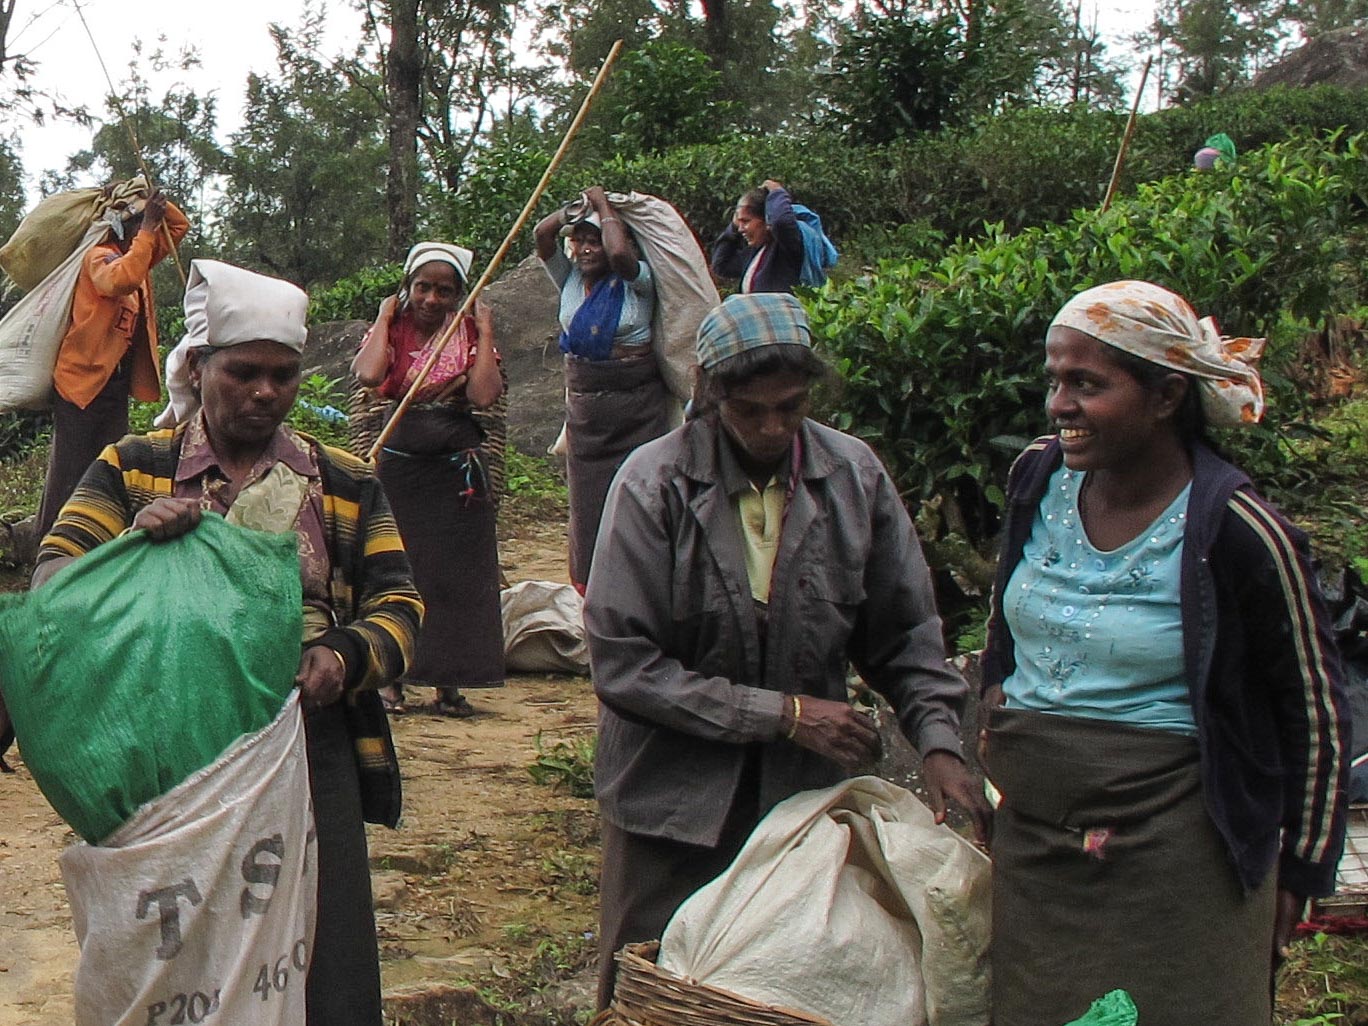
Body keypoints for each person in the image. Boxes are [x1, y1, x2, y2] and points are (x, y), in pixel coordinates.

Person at [34, 259, 424, 1026]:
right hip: (172, 757)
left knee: (323, 948)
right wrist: (133, 551)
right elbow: (55, 582)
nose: (265, 392)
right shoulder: (136, 470)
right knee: (179, 955)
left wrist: (343, 655)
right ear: (199, 366)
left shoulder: (340, 481)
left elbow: (400, 603)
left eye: (283, 376)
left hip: (305, 749)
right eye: (243, 372)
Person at [584, 292, 991, 1010]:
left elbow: (904, 634)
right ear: (711, 398)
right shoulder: (654, 484)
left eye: (792, 407)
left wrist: (938, 742)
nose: (773, 427)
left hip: (798, 805)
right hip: (671, 808)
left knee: (787, 993)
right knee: (658, 992)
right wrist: (784, 713)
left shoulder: (852, 478)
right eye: (750, 411)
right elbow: (624, 664)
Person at [979, 280, 1350, 1026]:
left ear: (1166, 395)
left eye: (1088, 384)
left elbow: (1314, 711)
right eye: (1056, 380)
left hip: (1176, 853)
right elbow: (1002, 634)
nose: (1060, 405)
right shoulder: (1039, 480)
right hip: (1038, 842)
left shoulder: (1237, 529)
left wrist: (1301, 870)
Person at [351, 241, 504, 718]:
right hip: (400, 473)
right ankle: (393, 680)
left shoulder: (468, 336)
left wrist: (484, 326)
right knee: (399, 572)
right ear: (407, 288)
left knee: (455, 579)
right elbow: (369, 374)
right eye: (422, 287)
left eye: (444, 290)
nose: (431, 300)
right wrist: (383, 317)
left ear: (459, 294)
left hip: (455, 480)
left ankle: (449, 682)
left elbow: (482, 396)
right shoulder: (392, 330)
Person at [534, 185, 673, 592]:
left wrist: (605, 207)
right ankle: (594, 587)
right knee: (589, 499)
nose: (585, 249)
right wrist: (573, 212)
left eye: (594, 239)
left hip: (636, 407)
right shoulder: (570, 279)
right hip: (588, 412)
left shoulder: (636, 279)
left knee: (640, 492)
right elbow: (543, 237)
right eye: (579, 241)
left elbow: (619, 257)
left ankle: (645, 583)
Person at [37, 186, 190, 539]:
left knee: (109, 467)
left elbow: (178, 227)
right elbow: (120, 280)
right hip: (81, 384)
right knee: (69, 473)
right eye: (135, 225)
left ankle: (99, 541)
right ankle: (47, 548)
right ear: (121, 229)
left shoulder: (138, 256)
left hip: (113, 385)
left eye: (144, 225)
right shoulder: (99, 258)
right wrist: (148, 223)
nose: (144, 231)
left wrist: (148, 198)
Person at [710, 179, 804, 294]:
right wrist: (733, 227)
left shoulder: (786, 249)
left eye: (745, 221)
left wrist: (777, 192)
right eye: (739, 223)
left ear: (766, 221)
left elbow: (781, 222)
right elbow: (721, 265)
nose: (740, 229)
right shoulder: (753, 253)